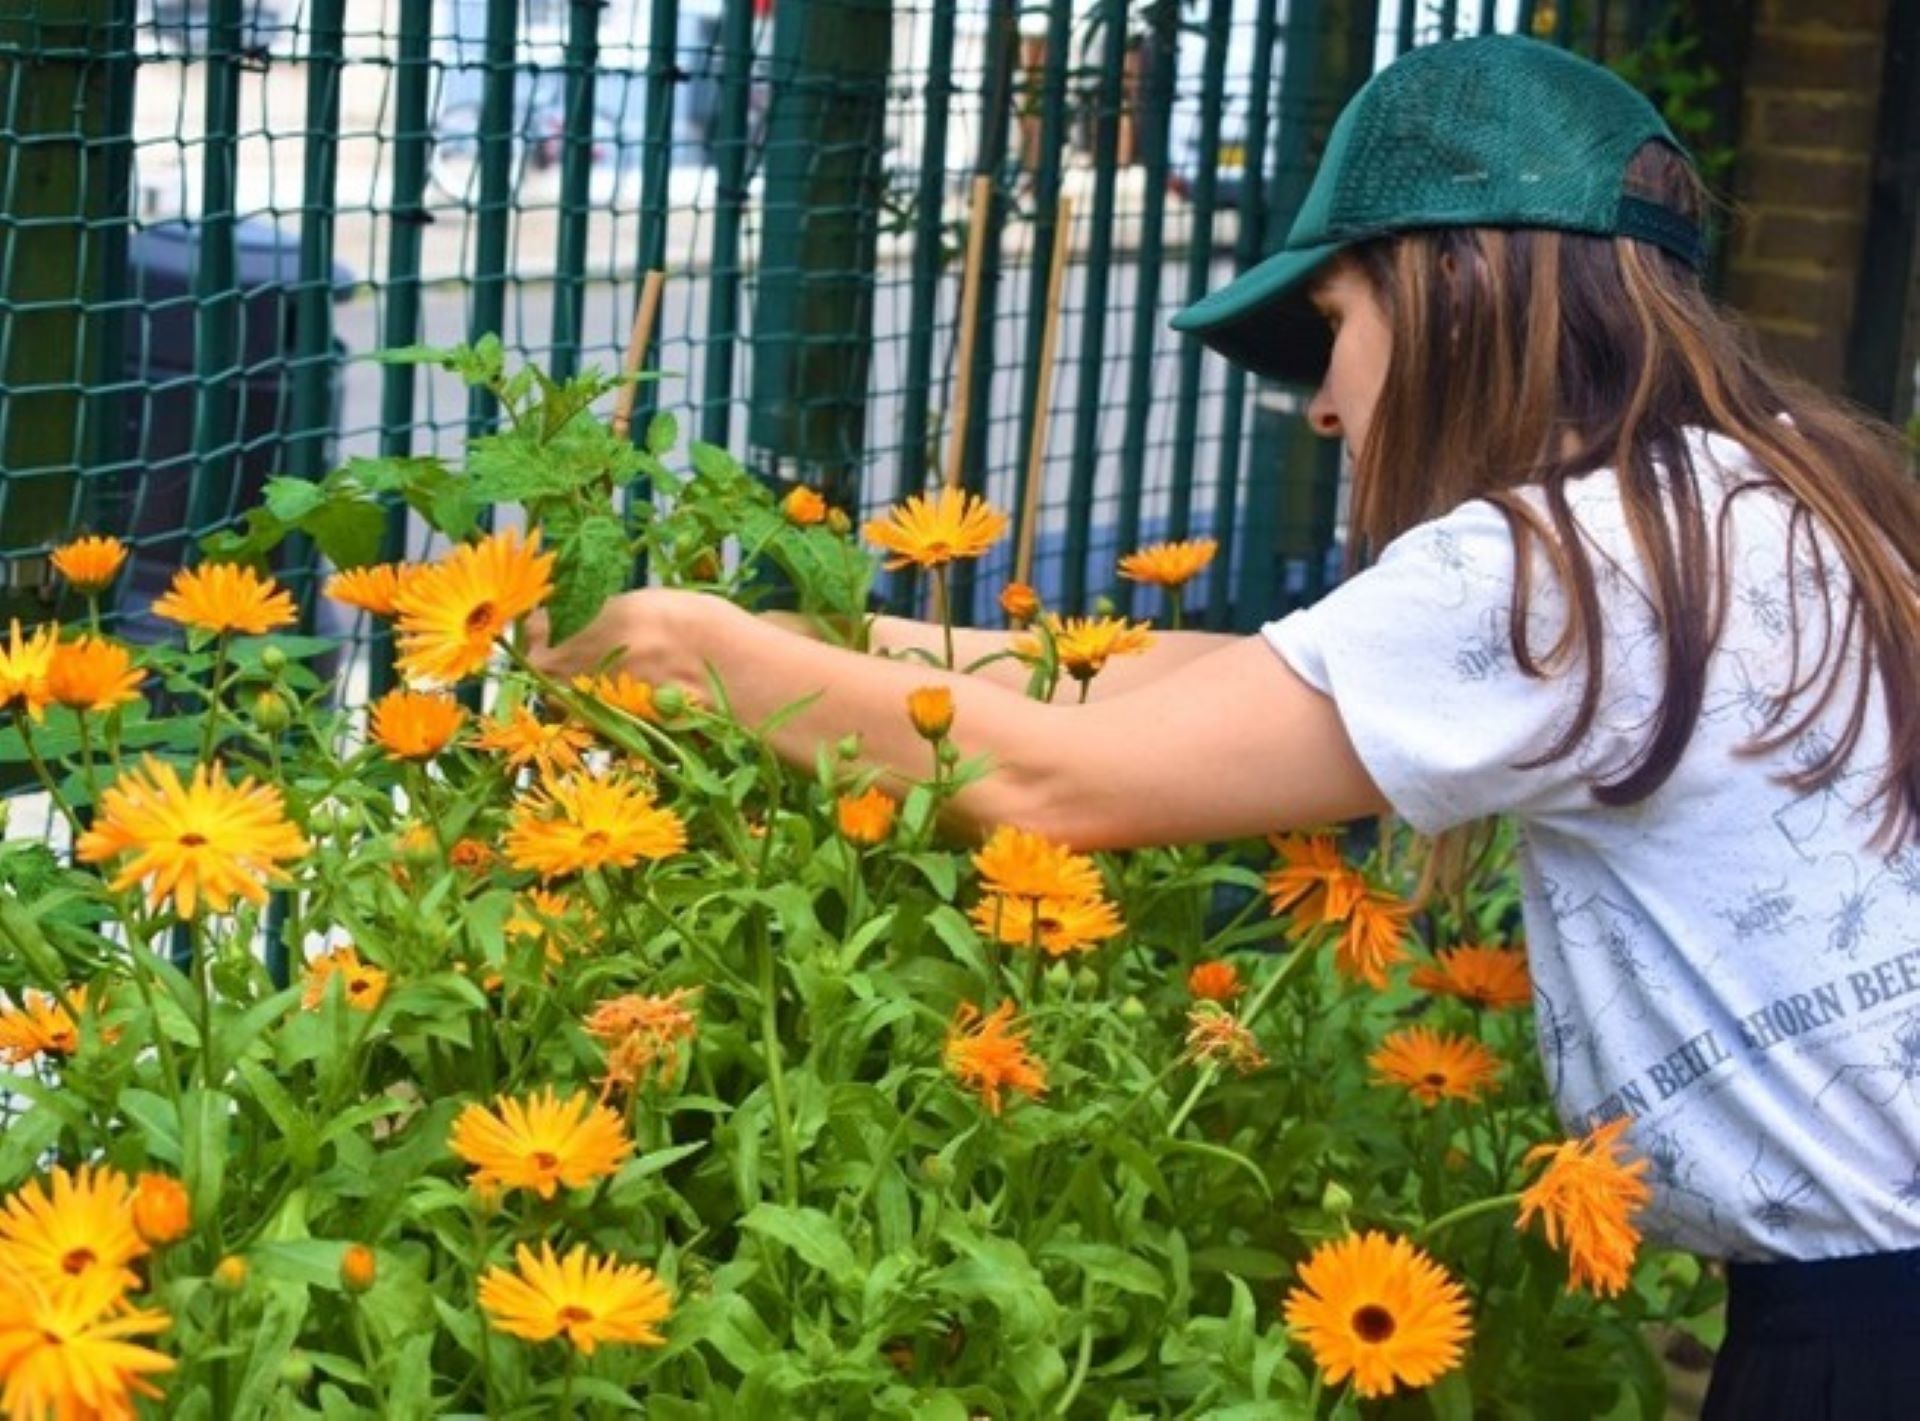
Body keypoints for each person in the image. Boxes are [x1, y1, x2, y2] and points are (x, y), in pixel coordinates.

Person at [532, 35, 1920, 1417]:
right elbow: (1189, 679)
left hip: (1861, 1337)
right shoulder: (1759, 499)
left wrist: (688, 646)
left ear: (1455, 296)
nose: (1320, 403)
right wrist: (821, 638)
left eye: (1334, 325)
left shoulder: (1553, 568)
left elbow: (1051, 780)